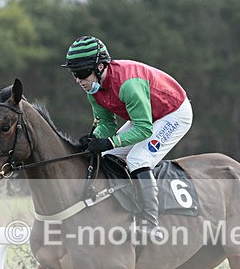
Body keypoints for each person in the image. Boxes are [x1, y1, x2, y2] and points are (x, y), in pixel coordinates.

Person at [61, 35, 192, 239]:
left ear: (101, 67)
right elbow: (107, 125)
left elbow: (144, 129)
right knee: (107, 154)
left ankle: (151, 222)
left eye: (82, 72)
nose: (78, 80)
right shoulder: (92, 89)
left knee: (138, 159)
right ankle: (124, 208)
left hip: (173, 113)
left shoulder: (127, 85)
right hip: (146, 115)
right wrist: (94, 138)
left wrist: (109, 141)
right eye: (74, 74)